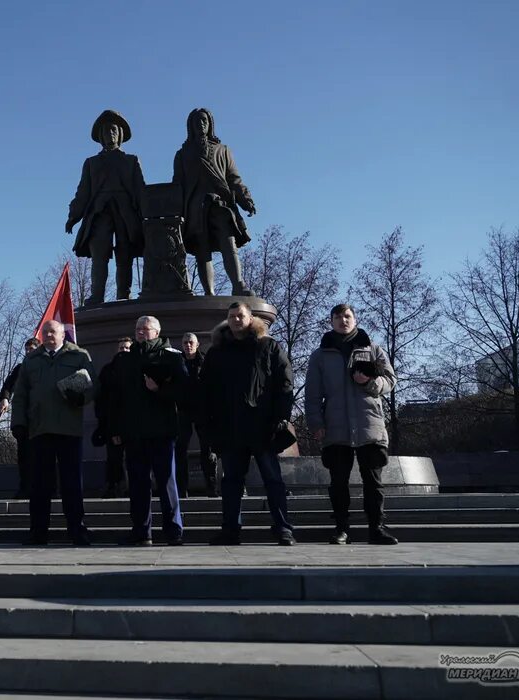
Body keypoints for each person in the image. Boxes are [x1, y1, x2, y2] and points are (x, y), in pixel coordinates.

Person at [201, 303, 295, 546]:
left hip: (263, 427)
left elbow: (285, 383)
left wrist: (282, 417)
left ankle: (283, 528)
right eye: (231, 316)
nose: (235, 320)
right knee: (231, 482)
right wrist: (209, 425)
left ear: (250, 318)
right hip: (230, 428)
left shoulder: (268, 346)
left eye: (240, 316)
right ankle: (231, 530)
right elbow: (205, 392)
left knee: (273, 480)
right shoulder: (216, 352)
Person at [305, 304, 399, 545]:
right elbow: (312, 393)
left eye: (347, 316)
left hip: (370, 424)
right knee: (338, 482)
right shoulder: (320, 355)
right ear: (331, 321)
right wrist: (315, 422)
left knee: (373, 481)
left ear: (355, 319)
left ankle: (376, 528)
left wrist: (370, 382)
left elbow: (390, 380)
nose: (342, 320)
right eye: (337, 317)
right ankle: (341, 529)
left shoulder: (373, 349)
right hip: (335, 426)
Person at [12, 320, 96, 546]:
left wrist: (82, 397)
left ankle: (77, 530)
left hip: (69, 429)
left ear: (63, 334)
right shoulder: (31, 360)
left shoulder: (79, 356)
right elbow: (20, 395)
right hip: (39, 429)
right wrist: (18, 422)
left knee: (72, 484)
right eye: (46, 332)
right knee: (39, 485)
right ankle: (38, 531)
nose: (49, 335)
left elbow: (92, 386)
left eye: (53, 331)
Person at [104, 317, 186, 546]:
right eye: (138, 329)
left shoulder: (171, 357)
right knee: (138, 484)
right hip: (134, 432)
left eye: (145, 329)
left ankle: (173, 530)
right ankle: (141, 530)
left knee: (166, 481)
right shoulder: (125, 360)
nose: (141, 332)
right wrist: (116, 428)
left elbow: (183, 392)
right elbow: (116, 398)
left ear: (157, 332)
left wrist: (159, 389)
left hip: (162, 430)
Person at [173, 107, 257, 296]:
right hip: (195, 208)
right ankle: (208, 293)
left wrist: (246, 200)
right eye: (197, 122)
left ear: (210, 125)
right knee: (202, 250)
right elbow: (177, 185)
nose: (201, 124)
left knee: (228, 242)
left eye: (204, 121)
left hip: (220, 204)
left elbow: (234, 179)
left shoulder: (223, 150)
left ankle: (238, 284)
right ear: (190, 127)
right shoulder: (182, 155)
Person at [66, 109, 145, 305]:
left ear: (120, 135)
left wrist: (147, 217)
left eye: (114, 130)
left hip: (125, 213)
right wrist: (73, 216)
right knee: (99, 255)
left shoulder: (131, 161)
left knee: (125, 255)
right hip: (99, 212)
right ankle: (97, 296)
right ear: (101, 136)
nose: (111, 134)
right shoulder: (91, 163)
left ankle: (123, 295)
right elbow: (83, 192)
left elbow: (141, 191)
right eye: (107, 131)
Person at [0, 337, 42, 498]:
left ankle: (49, 488)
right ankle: (25, 488)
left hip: (42, 419)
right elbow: (8, 386)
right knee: (23, 456)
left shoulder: (45, 366)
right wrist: (4, 398)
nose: (29, 352)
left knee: (44, 455)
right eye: (27, 349)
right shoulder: (20, 368)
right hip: (23, 419)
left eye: (32, 349)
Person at [175, 333, 217, 498]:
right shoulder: (177, 362)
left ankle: (211, 486)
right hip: (183, 410)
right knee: (180, 450)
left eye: (191, 342)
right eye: (185, 342)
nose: (188, 345)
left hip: (203, 411)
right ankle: (181, 488)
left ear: (197, 344)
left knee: (208, 450)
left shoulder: (206, 362)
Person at [94, 336, 132, 498]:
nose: (124, 351)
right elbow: (101, 399)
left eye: (127, 348)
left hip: (133, 423)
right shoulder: (107, 371)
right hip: (112, 423)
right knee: (113, 459)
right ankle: (113, 485)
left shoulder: (136, 369)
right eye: (121, 348)